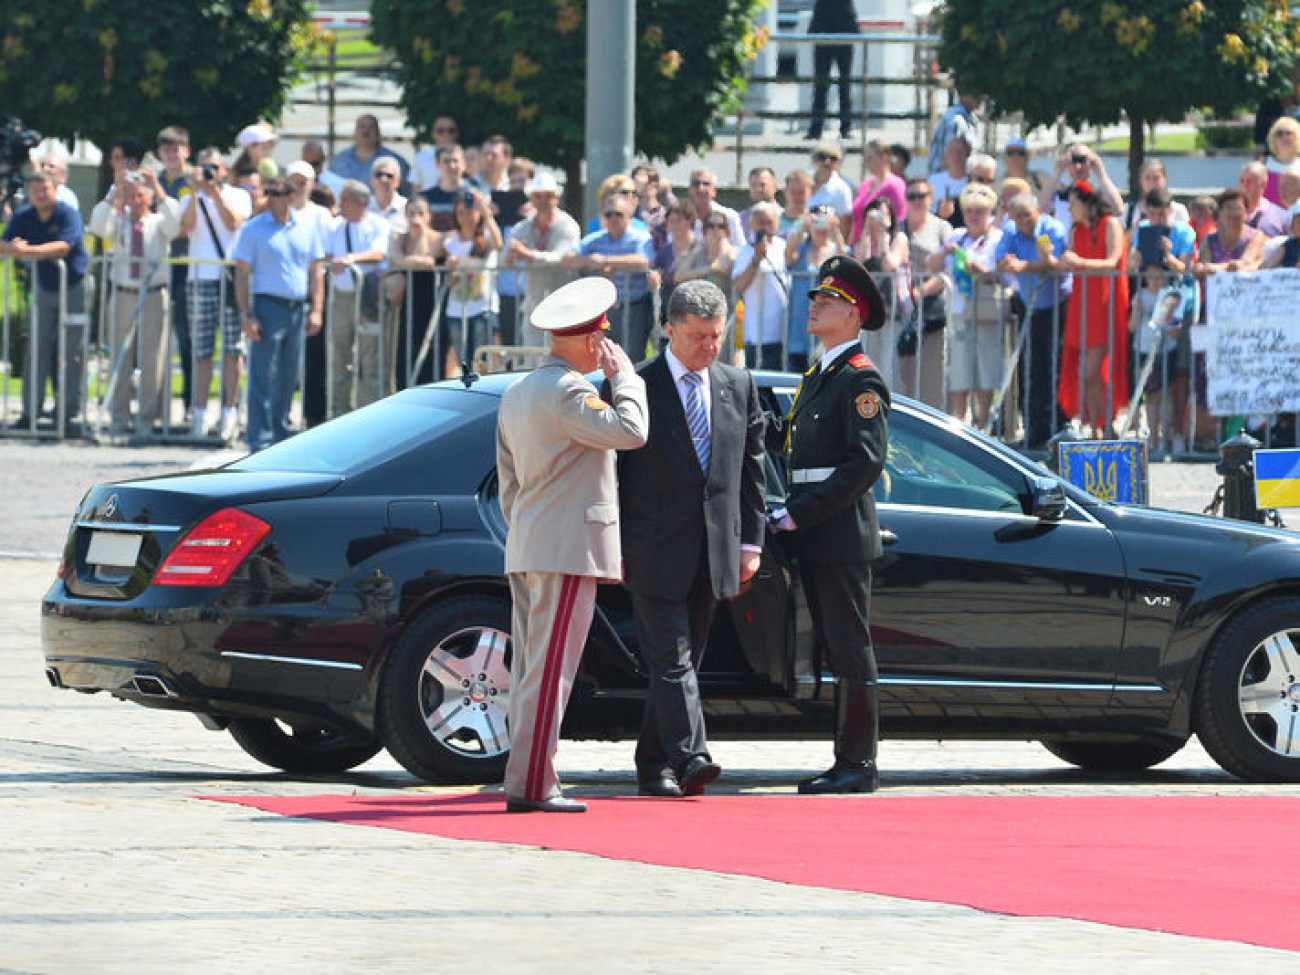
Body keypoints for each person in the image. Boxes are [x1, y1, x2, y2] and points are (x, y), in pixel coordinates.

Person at [496, 277, 649, 813]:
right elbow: (631, 430)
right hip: (563, 549)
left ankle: (526, 777)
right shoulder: (568, 391)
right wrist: (625, 378)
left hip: (531, 543)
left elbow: (508, 486)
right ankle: (534, 783)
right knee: (549, 671)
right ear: (590, 341)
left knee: (533, 669)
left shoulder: (517, 393)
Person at [612, 279, 765, 798]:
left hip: (715, 546)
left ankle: (652, 767)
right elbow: (613, 472)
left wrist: (752, 543)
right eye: (698, 336)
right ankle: (692, 756)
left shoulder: (736, 384)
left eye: (716, 336)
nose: (709, 346)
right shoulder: (637, 384)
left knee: (684, 663)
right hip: (652, 548)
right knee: (671, 658)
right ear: (668, 330)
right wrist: (613, 545)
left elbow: (751, 469)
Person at [768, 255, 889, 794]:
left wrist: (801, 512)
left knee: (849, 649)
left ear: (854, 314)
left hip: (836, 532)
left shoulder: (859, 378)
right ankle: (846, 758)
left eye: (829, 301)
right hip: (816, 531)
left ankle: (858, 764)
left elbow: (865, 463)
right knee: (835, 650)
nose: (815, 305)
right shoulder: (820, 374)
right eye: (815, 298)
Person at [232, 177, 325, 451]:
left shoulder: (306, 228)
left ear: (291, 196)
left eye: (277, 192)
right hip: (267, 305)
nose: (271, 198)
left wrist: (317, 309)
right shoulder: (254, 229)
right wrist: (246, 314)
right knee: (263, 375)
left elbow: (315, 273)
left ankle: (279, 436)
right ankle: (259, 439)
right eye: (268, 192)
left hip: (297, 307)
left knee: (288, 377)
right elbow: (241, 275)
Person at [88, 171, 181, 437]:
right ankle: (118, 417)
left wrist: (157, 187)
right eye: (132, 196)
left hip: (153, 293)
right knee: (120, 355)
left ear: (149, 198)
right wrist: (115, 190)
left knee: (153, 359)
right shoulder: (118, 222)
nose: (137, 201)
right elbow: (97, 225)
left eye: (141, 195)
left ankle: (146, 419)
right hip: (124, 293)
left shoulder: (159, 221)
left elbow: (175, 223)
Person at [0, 172, 90, 435]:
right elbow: (5, 243)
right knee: (36, 349)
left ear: (56, 188)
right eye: (35, 190)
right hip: (43, 286)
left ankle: (68, 413)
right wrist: (11, 247)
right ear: (29, 192)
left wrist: (26, 251)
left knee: (71, 352)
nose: (41, 194)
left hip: (72, 285)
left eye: (45, 189)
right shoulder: (24, 215)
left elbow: (63, 247)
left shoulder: (67, 213)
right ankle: (30, 412)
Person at [179, 147, 252, 443]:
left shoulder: (238, 195)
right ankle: (199, 413)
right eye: (204, 167)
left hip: (231, 280)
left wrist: (216, 193)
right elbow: (186, 228)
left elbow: (233, 223)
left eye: (214, 168)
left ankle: (229, 411)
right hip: (201, 279)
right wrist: (197, 193)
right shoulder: (189, 197)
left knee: (234, 350)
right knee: (202, 350)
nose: (209, 173)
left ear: (224, 171)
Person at [995, 193, 1071, 449]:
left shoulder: (1051, 229)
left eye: (1027, 215)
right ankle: (1034, 428)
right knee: (1030, 369)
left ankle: (1059, 425)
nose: (1023, 221)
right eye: (1018, 217)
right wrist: (1008, 263)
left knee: (1054, 366)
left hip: (1057, 305)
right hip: (1029, 304)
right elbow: (1001, 258)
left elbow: (1051, 264)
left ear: (1038, 211)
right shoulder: (1010, 230)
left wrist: (1021, 266)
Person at [1056, 180, 1129, 438]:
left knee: (1092, 370)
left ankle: (1105, 424)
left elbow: (1112, 261)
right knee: (1088, 372)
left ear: (1087, 205)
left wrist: (1080, 261)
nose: (1069, 209)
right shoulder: (1076, 231)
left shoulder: (1110, 224)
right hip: (1083, 302)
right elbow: (1070, 262)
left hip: (1104, 301)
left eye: (1073, 204)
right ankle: (1098, 427)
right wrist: (1052, 260)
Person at [931, 182, 1005, 428]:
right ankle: (959, 422)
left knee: (985, 368)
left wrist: (982, 270)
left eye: (980, 211)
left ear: (989, 212)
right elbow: (932, 266)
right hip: (957, 311)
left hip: (984, 311)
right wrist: (945, 253)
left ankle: (983, 424)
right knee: (958, 369)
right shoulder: (956, 236)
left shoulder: (997, 238)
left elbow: (1006, 274)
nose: (974, 216)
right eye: (970, 210)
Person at [1129, 187, 1196, 456]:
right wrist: (1135, 260)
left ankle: (1177, 433)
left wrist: (1169, 256)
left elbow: (1186, 268)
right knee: (1153, 377)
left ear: (1170, 210)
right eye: (1152, 214)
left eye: (1161, 214)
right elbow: (1134, 266)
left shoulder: (1184, 232)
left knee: (1178, 372)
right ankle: (1156, 434)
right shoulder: (1143, 230)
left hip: (1180, 303)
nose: (1156, 219)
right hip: (1150, 303)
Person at [563, 195, 656, 362]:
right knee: (601, 359)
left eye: (618, 214)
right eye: (608, 214)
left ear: (629, 216)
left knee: (632, 361)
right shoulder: (595, 239)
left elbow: (644, 261)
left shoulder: (640, 238)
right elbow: (566, 259)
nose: (613, 218)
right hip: (603, 311)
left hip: (633, 310)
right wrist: (590, 261)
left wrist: (607, 261)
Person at [325, 180, 390, 413]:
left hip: (369, 297)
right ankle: (338, 410)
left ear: (360, 203)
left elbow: (378, 253)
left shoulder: (378, 224)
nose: (340, 205)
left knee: (369, 355)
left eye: (345, 200)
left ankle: (367, 410)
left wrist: (352, 259)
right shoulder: (334, 226)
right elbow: (327, 254)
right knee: (340, 353)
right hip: (341, 296)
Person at [506, 171, 582, 346]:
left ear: (556, 198)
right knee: (532, 361)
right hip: (534, 306)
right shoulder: (523, 227)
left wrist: (527, 254)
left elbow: (560, 257)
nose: (543, 201)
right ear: (531, 199)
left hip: (564, 306)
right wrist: (511, 255)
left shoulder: (568, 225)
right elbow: (504, 258)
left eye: (548, 196)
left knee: (564, 360)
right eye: (538, 196)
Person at [900, 177, 952, 409]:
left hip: (932, 309)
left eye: (921, 196)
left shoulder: (941, 228)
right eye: (911, 196)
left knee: (932, 373)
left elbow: (948, 271)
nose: (917, 201)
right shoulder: (898, 227)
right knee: (903, 373)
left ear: (930, 199)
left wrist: (920, 291)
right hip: (901, 311)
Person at [440, 189, 503, 376]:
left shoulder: (487, 238)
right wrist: (449, 267)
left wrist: (486, 211)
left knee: (482, 359)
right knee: (463, 360)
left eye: (470, 212)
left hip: (482, 308)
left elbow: (498, 243)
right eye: (461, 213)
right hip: (456, 308)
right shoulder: (451, 241)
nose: (466, 217)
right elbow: (449, 281)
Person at [156, 126, 194, 414]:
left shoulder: (193, 181)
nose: (171, 155)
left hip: (186, 263)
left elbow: (185, 227)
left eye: (176, 149)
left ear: (186, 151)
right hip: (158, 262)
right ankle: (157, 404)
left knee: (186, 335)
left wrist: (170, 228)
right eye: (166, 150)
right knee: (156, 337)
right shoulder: (154, 180)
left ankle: (191, 401)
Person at [387, 195, 442, 389]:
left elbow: (428, 259)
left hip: (430, 302)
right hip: (407, 303)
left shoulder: (436, 237)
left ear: (429, 216)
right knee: (404, 355)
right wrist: (412, 261)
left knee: (429, 355)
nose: (415, 218)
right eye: (411, 213)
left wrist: (422, 233)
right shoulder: (398, 238)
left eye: (421, 213)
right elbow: (398, 259)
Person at [853, 196, 908, 386]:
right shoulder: (865, 241)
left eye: (883, 213)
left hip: (893, 311)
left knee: (888, 365)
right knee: (868, 361)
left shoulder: (898, 238)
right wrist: (867, 231)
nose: (878, 218)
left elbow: (889, 265)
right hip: (869, 310)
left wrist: (883, 235)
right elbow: (860, 264)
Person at [785, 203, 847, 373]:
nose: (821, 225)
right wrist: (802, 227)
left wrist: (836, 232)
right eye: (817, 219)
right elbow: (789, 257)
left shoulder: (837, 250)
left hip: (828, 332)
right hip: (800, 330)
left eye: (826, 219)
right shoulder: (801, 249)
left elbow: (846, 265)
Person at [731, 201, 789, 369]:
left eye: (769, 222)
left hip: (782, 332)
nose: (765, 227)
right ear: (752, 224)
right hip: (757, 335)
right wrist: (756, 260)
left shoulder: (783, 247)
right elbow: (739, 286)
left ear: (777, 224)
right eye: (760, 222)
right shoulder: (745, 251)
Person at [1039, 143, 1124, 232]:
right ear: (1067, 164)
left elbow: (1118, 210)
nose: (1078, 167)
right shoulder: (1060, 197)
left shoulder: (1098, 197)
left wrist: (1101, 174)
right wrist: (1057, 174)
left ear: (1092, 162)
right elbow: (1040, 209)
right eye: (1073, 161)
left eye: (1082, 160)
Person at [805, 0, 858, 140]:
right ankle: (816, 128)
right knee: (821, 84)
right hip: (825, 27)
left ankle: (845, 127)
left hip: (842, 27)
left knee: (844, 83)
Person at [849, 139, 907, 245]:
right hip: (859, 246)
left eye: (870, 158)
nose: (866, 162)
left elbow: (900, 218)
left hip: (881, 246)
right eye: (865, 158)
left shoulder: (896, 185)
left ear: (884, 158)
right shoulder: (866, 184)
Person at [328, 114, 409, 188]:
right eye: (362, 127)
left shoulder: (395, 161)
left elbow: (407, 193)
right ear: (354, 133)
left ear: (378, 133)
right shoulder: (338, 160)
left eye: (371, 127)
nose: (366, 131)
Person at [1122, 159, 1188, 232]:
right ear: (1141, 180)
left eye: (1156, 178)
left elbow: (1186, 238)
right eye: (1147, 178)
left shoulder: (1179, 210)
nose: (1151, 182)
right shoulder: (1127, 211)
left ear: (1165, 179)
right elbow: (1119, 241)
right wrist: (1137, 229)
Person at [686, 168, 744, 248]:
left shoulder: (729, 217)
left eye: (706, 184)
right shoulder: (681, 218)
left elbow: (740, 249)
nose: (701, 188)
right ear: (689, 190)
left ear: (714, 191)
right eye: (696, 184)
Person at [927, 92, 981, 174]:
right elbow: (950, 155)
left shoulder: (969, 118)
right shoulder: (956, 120)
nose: (981, 99)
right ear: (963, 96)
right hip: (949, 177)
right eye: (976, 95)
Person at [419, 144, 468, 232]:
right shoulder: (423, 198)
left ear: (464, 164)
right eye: (446, 161)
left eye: (455, 161)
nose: (451, 166)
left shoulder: (474, 196)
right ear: (437, 165)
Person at [410, 114, 461, 196]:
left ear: (456, 133)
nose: (446, 134)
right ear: (433, 133)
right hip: (427, 205)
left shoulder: (464, 157)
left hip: (458, 205)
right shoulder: (421, 157)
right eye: (441, 130)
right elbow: (415, 188)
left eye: (451, 130)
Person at [808, 143, 855, 222]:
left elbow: (845, 222)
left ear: (838, 162)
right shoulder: (803, 179)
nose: (827, 161)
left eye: (833, 158)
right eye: (822, 157)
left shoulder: (842, 189)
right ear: (814, 160)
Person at [1240, 161, 1288, 236]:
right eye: (1241, 181)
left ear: (1263, 184)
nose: (1244, 186)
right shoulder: (1229, 212)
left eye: (1250, 181)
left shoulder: (1278, 217)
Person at [1264, 116, 1300, 205]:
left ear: (1297, 137)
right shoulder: (1263, 165)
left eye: (1289, 133)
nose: (1284, 137)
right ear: (1273, 138)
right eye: (1279, 133)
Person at [739, 166, 779, 240]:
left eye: (762, 185)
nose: (758, 189)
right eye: (753, 185)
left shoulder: (785, 216)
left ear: (775, 186)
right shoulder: (741, 219)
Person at [779, 169, 813, 237]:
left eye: (801, 192)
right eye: (793, 192)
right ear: (785, 192)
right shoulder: (774, 220)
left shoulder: (814, 222)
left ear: (811, 193)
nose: (797, 196)